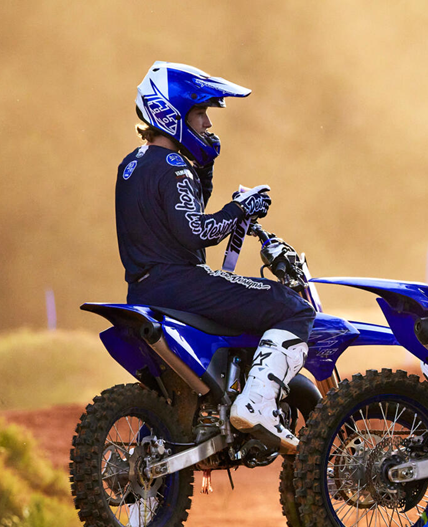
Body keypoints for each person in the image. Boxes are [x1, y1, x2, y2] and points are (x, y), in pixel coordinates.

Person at [117, 61, 314, 454]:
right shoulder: (173, 166)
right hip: (182, 284)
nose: (207, 123)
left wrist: (204, 173)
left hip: (143, 290)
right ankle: (257, 403)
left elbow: (173, 219)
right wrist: (240, 208)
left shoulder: (133, 164)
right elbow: (195, 231)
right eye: (200, 112)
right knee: (293, 308)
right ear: (172, 113)